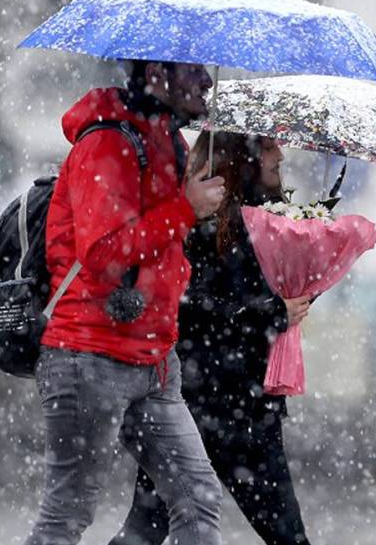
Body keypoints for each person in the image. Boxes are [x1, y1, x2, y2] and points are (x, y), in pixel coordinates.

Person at [26, 61, 227, 545]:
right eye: (192, 70)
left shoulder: (168, 142)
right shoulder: (108, 143)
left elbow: (164, 243)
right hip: (89, 356)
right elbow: (103, 253)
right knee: (66, 517)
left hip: (155, 360)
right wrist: (185, 209)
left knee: (199, 501)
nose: (206, 80)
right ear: (157, 72)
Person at [109, 131, 314, 545]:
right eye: (270, 145)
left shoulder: (270, 222)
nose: (280, 154)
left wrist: (302, 287)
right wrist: (273, 312)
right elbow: (190, 310)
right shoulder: (201, 224)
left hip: (245, 409)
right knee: (145, 530)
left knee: (146, 531)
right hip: (201, 406)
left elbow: (248, 305)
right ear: (243, 157)